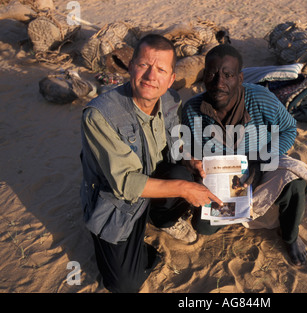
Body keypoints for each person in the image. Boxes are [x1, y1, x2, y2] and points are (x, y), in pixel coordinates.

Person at [80, 34, 222, 293]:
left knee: (186, 173)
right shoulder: (99, 115)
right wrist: (183, 188)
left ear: (170, 79)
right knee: (124, 285)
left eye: (160, 69)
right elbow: (125, 183)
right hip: (117, 198)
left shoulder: (172, 100)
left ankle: (163, 220)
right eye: (144, 65)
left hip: (154, 181)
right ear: (131, 66)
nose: (150, 76)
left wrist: (191, 161)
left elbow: (176, 141)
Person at [181, 44, 307, 266]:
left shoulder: (261, 99)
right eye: (211, 74)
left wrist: (263, 160)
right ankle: (239, 211)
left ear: (240, 78)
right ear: (203, 77)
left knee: (295, 182)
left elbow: (289, 129)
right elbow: (185, 148)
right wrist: (193, 163)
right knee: (204, 228)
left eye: (228, 75)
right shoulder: (192, 110)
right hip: (222, 182)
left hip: (262, 166)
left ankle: (290, 236)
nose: (219, 82)